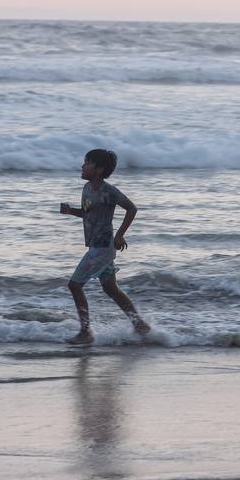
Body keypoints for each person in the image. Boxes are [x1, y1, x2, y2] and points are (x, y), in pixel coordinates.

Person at [58, 148, 151, 346]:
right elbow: (88, 213)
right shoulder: (87, 189)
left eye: (87, 163)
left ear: (99, 169)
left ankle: (86, 332)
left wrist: (120, 235)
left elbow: (132, 208)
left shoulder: (109, 190)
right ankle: (140, 325)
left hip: (102, 247)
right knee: (111, 289)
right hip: (96, 246)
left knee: (74, 285)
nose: (83, 166)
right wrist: (70, 211)